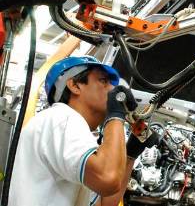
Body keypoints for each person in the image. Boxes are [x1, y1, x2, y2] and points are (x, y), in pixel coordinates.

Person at [9, 56, 159, 206]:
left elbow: (105, 202)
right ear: (74, 85)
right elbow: (108, 178)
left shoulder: (67, 129)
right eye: (103, 81)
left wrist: (130, 154)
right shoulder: (62, 118)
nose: (112, 89)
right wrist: (115, 116)